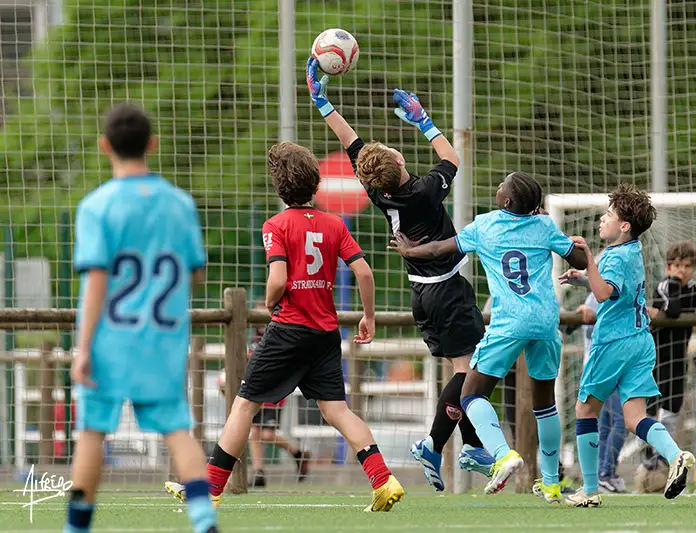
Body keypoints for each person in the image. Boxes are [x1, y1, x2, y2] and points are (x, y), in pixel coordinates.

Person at [165, 142, 404, 512]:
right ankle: (383, 478)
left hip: (288, 330)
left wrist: (271, 300)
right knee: (337, 410)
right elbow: (364, 271)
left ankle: (208, 489)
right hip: (324, 334)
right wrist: (368, 316)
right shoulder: (334, 224)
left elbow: (278, 278)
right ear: (316, 184)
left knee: (244, 405)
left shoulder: (275, 225)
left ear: (280, 188)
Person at [306, 57, 493, 491]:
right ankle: (434, 442)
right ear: (399, 160)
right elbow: (451, 156)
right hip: (447, 290)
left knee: (459, 370)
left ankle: (471, 446)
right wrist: (423, 120)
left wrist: (322, 102)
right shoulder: (426, 190)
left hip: (420, 294)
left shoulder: (377, 191)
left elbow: (351, 142)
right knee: (471, 369)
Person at [389, 171, 588, 498]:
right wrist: (576, 247)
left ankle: (502, 455)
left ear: (507, 201)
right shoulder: (543, 225)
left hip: (510, 322)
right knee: (545, 405)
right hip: (546, 321)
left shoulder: (486, 224)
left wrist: (411, 253)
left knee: (469, 394)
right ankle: (551, 482)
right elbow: (578, 257)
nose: (497, 187)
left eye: (502, 186)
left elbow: (441, 249)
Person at [67, 105, 218, 533]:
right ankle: (204, 518)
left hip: (111, 339)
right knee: (177, 429)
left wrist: (83, 347)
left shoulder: (97, 206)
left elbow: (97, 279)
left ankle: (77, 526)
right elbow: (196, 273)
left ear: (104, 147)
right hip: (162, 336)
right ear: (152, 144)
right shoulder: (179, 204)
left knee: (94, 431)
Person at [559, 183, 695, 508]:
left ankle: (590, 489)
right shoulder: (632, 251)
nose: (602, 220)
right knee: (634, 418)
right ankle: (677, 455)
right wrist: (583, 275)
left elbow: (604, 294)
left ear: (624, 225)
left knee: (584, 410)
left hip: (614, 343)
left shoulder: (613, 255)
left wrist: (589, 260)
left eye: (608, 214)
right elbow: (610, 287)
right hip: (640, 342)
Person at [641, 241, 696, 470]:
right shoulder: (667, 285)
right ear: (668, 268)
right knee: (652, 406)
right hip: (655, 356)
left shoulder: (691, 289)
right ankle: (649, 453)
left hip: (677, 358)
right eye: (676, 266)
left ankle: (662, 454)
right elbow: (673, 311)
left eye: (686, 266)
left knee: (673, 405)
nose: (681, 270)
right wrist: (676, 283)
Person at [245, 307, 311, 486]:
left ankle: (297, 453)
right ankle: (259, 472)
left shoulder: (277, 333)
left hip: (274, 389)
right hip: (257, 387)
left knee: (266, 434)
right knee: (255, 432)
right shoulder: (254, 339)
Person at [576, 290, 628, 493]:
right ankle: (605, 473)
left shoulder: (619, 290)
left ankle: (603, 474)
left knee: (606, 424)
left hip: (615, 366)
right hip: (603, 368)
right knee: (621, 420)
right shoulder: (596, 295)